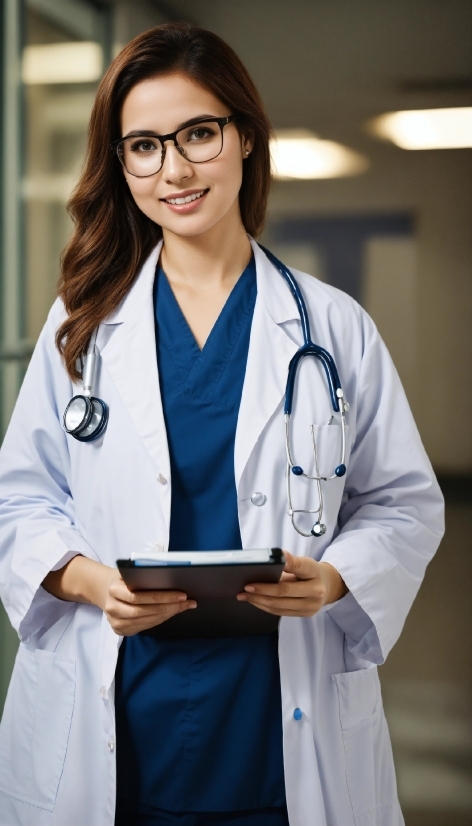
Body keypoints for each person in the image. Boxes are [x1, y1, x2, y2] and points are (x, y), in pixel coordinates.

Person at [0, 22, 444, 826]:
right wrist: (93, 582)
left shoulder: (334, 328)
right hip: (119, 717)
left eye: (198, 134)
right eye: (143, 145)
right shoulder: (83, 327)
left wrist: (336, 576)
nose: (174, 169)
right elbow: (19, 503)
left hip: (273, 729)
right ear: (121, 163)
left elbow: (404, 504)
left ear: (244, 137)